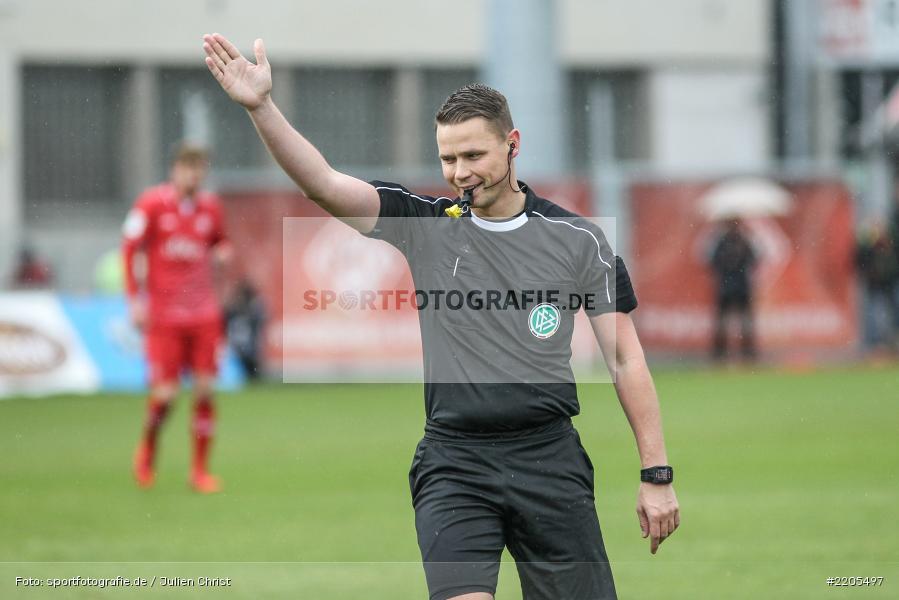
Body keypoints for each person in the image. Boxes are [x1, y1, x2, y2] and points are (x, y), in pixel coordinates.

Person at [204, 33, 679, 599]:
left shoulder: (579, 241)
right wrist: (262, 107)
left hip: (549, 460)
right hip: (454, 463)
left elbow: (625, 358)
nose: (460, 172)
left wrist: (657, 475)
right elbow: (325, 186)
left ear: (512, 145)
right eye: (449, 159)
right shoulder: (427, 224)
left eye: (474, 155)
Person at [122, 143, 230, 494]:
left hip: (203, 315)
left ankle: (198, 471)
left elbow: (219, 242)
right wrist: (134, 301)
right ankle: (147, 450)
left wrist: (223, 253)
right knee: (166, 395)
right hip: (165, 317)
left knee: (205, 390)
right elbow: (129, 249)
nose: (193, 175)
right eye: (188, 167)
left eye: (199, 168)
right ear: (174, 170)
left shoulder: (210, 208)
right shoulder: (151, 204)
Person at [708, 219, 758, 361]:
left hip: (740, 287)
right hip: (728, 287)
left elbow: (754, 259)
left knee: (745, 323)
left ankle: (747, 352)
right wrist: (729, 262)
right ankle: (720, 353)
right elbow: (713, 262)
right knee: (724, 323)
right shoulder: (722, 242)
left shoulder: (744, 242)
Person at [225, 280, 267, 380]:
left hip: (242, 349)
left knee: (249, 374)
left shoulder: (235, 310)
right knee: (250, 375)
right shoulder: (250, 311)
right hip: (244, 350)